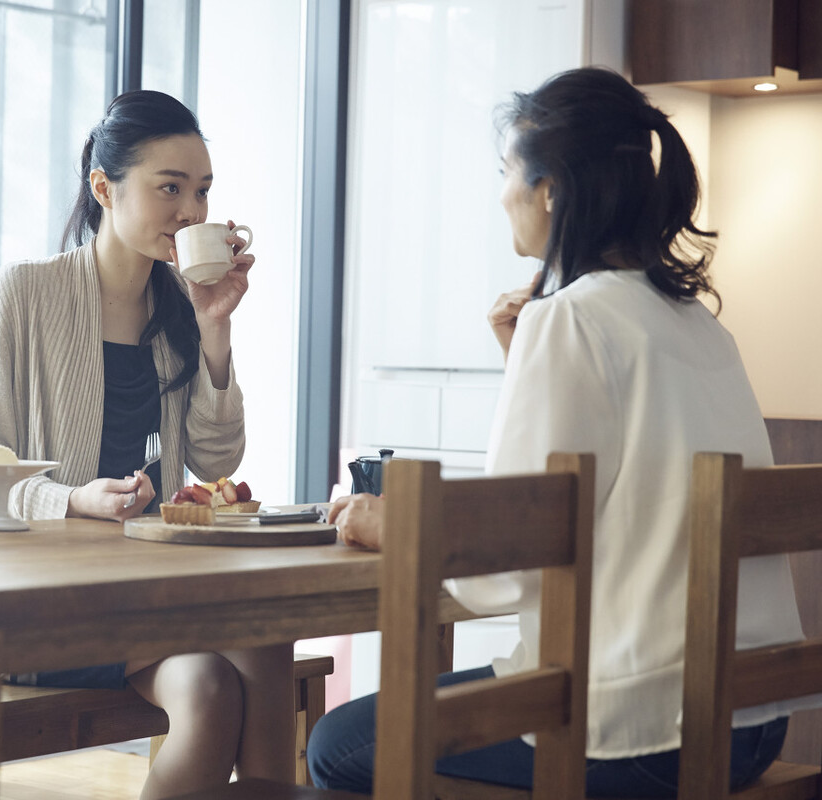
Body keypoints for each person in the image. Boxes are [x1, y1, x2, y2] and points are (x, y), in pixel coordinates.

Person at [308, 67, 810, 797]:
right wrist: (527, 363)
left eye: (507, 170)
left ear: (551, 190)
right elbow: (618, 482)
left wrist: (396, 523)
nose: (502, 193)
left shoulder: (571, 317)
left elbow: (507, 569)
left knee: (339, 744)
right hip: (752, 718)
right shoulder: (697, 324)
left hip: (637, 729)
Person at [0, 90, 292, 798]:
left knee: (262, 640)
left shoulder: (179, 308)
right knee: (213, 683)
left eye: (201, 191)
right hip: (43, 606)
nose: (192, 212)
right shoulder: (23, 293)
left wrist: (216, 328)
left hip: (144, 598)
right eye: (169, 187)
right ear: (103, 188)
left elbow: (216, 461)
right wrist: (72, 499)